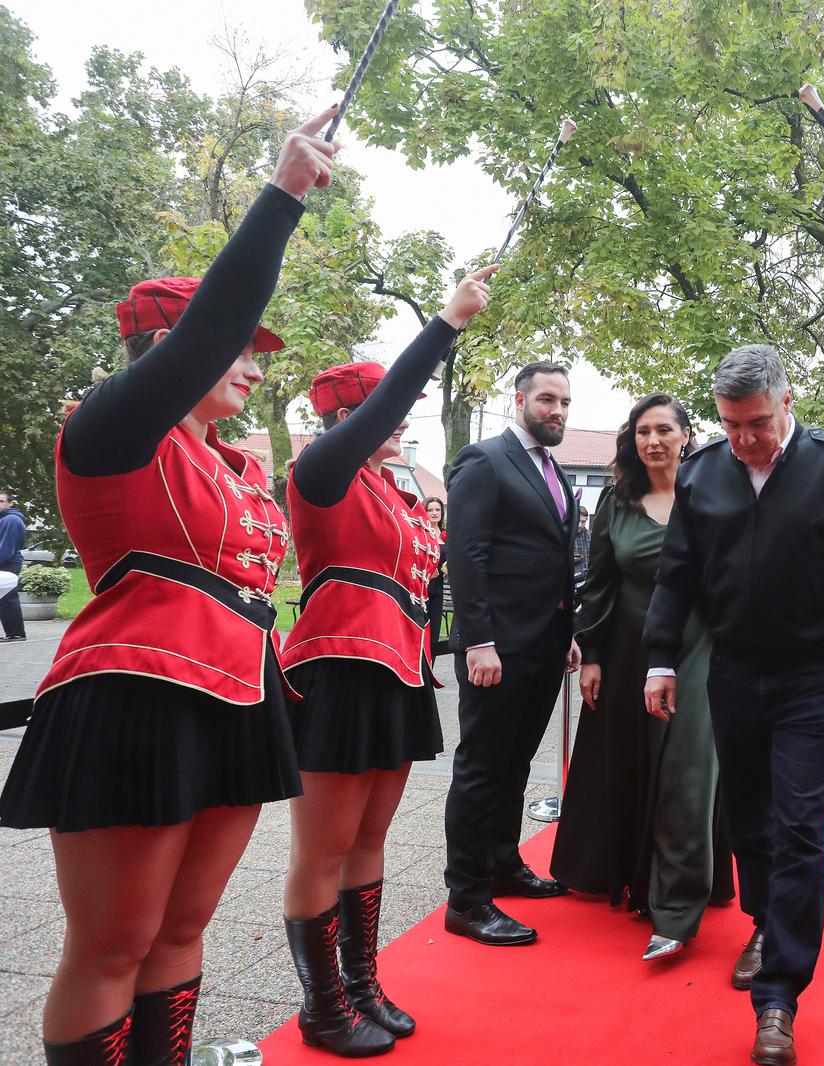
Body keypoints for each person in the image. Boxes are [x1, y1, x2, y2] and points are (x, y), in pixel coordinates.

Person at [0, 107, 338, 1065]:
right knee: (111, 943)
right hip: (132, 698)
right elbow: (211, 330)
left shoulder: (234, 468)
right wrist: (282, 198)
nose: (249, 365)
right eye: (235, 349)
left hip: (238, 698)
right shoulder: (109, 430)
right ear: (165, 346)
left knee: (183, 933)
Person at [642, 344, 824, 1066]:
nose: (744, 441)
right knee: (750, 820)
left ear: (787, 403)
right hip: (732, 672)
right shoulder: (704, 472)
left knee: (799, 826)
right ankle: (766, 921)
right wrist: (661, 661)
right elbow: (677, 577)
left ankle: (779, 999)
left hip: (812, 677)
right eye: (731, 425)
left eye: (757, 423)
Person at [276, 269, 496, 1055]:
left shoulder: (395, 497)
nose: (400, 427)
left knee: (369, 839)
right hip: (338, 670)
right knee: (324, 847)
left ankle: (362, 981)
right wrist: (445, 325)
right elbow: (391, 398)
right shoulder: (323, 477)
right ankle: (322, 1003)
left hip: (400, 674)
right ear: (346, 419)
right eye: (382, 414)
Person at [551, 393, 732, 960]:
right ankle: (623, 874)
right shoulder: (618, 499)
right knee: (624, 763)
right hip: (628, 650)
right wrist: (594, 653)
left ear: (686, 436)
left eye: (663, 430)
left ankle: (676, 905)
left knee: (687, 768)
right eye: (642, 431)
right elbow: (598, 582)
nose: (652, 441)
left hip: (699, 646)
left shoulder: (713, 496)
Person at [441, 361, 580, 946]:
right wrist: (478, 641)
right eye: (546, 400)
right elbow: (466, 556)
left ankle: (503, 864)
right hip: (494, 647)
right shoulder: (484, 460)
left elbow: (552, 560)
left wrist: (567, 632)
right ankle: (466, 898)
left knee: (516, 763)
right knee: (481, 768)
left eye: (565, 403)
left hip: (544, 645)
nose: (557, 411)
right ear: (518, 399)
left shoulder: (555, 471)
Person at [421, 496, 446, 653]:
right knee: (422, 627)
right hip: (422, 588)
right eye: (430, 510)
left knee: (434, 631)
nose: (434, 513)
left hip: (440, 588)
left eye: (437, 509)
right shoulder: (420, 531)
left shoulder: (446, 534)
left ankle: (431, 669)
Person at [0, 491, 25, 641]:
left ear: (10, 503)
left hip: (8, 563)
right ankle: (14, 633)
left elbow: (5, 549)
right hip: (6, 561)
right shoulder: (4, 519)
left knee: (7, 597)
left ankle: (16, 633)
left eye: (1, 501)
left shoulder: (11, 520)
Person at [572, 505, 591, 584]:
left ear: (587, 520)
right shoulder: (567, 537)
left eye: (583, 522)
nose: (580, 524)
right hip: (570, 581)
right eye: (578, 521)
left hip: (587, 580)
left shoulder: (590, 536)